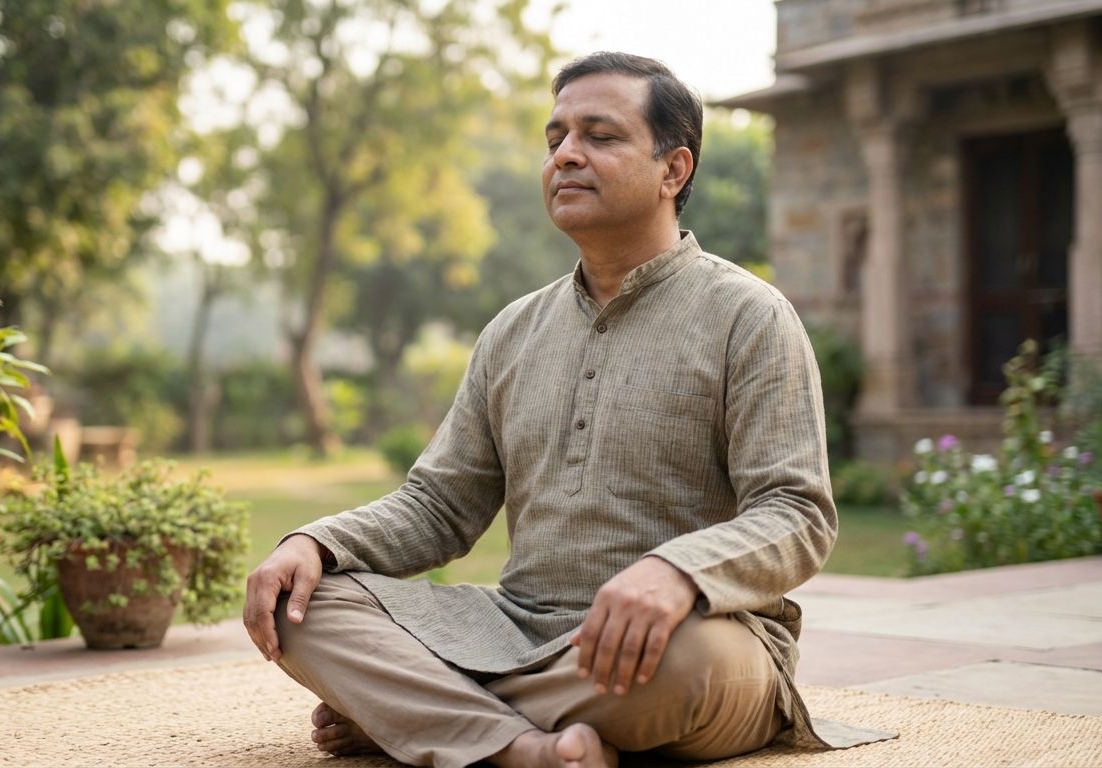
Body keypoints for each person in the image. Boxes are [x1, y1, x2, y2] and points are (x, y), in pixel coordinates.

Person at [244, 51, 856, 768]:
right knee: (303, 604)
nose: (566, 156)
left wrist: (677, 573)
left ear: (674, 170)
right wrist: (312, 543)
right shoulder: (512, 330)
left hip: (698, 635)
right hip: (517, 630)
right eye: (555, 138)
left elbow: (798, 512)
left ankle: (422, 715)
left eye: (600, 136)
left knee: (687, 666)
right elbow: (439, 506)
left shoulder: (748, 317)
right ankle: (524, 749)